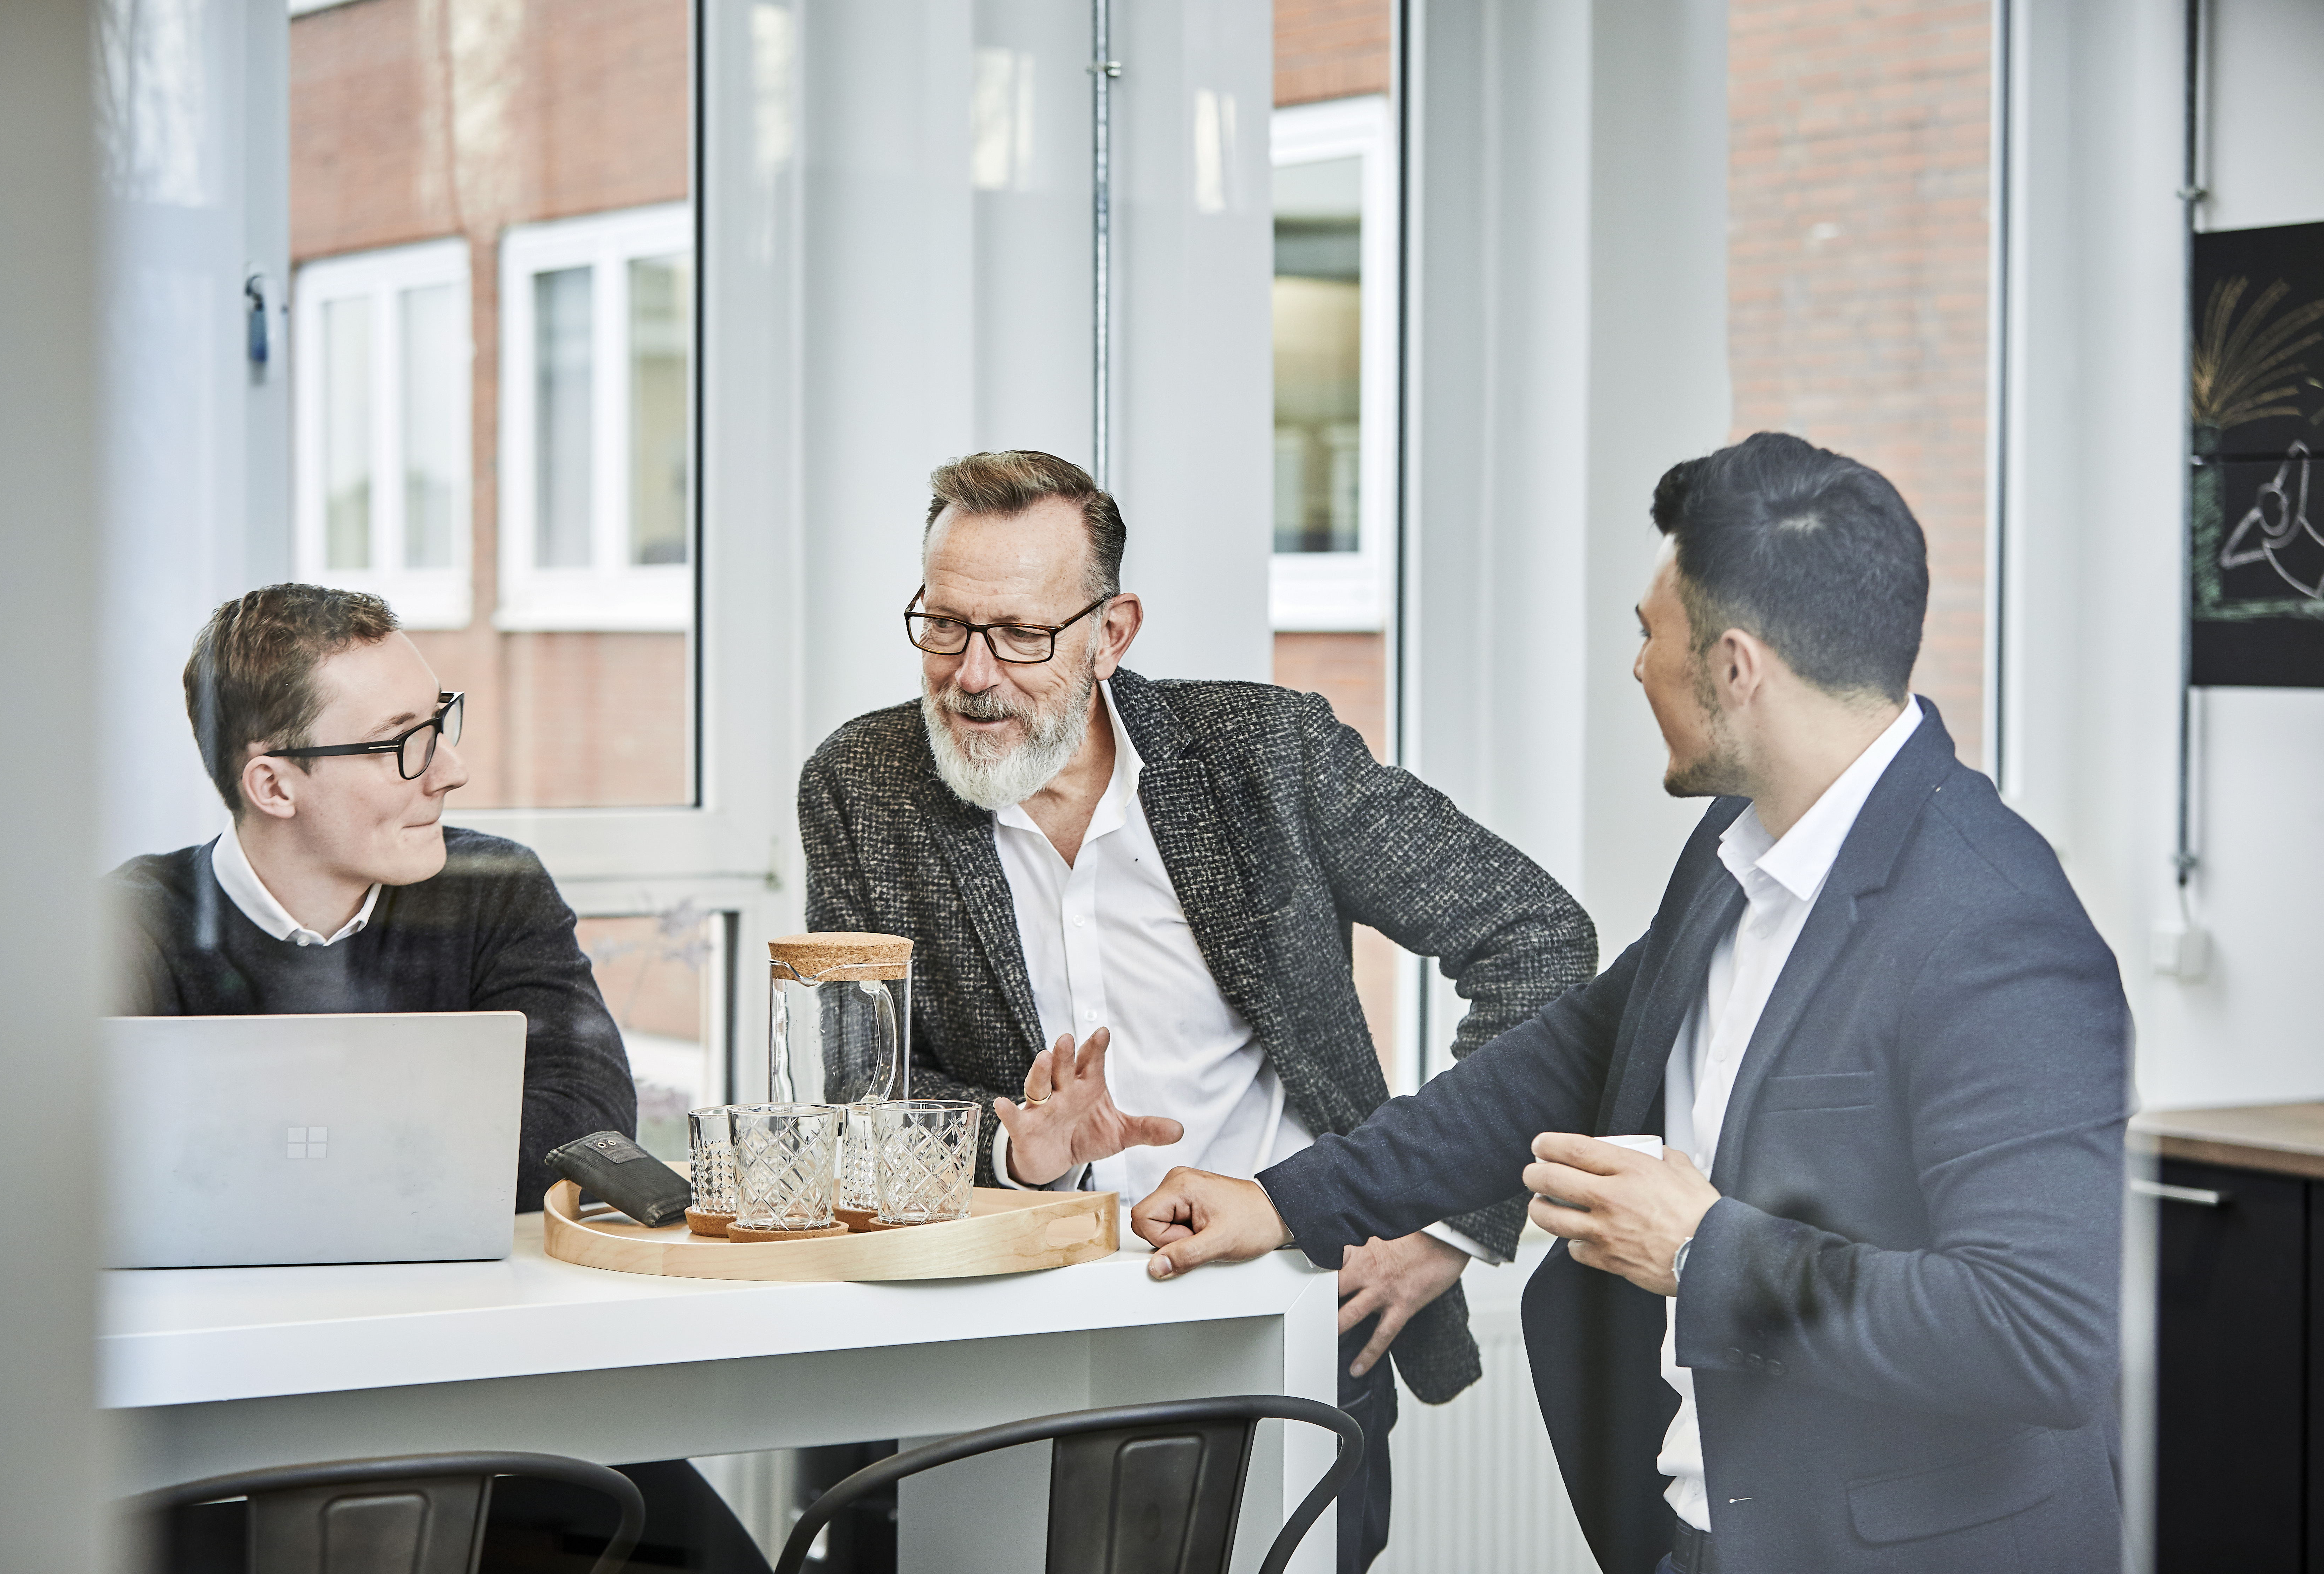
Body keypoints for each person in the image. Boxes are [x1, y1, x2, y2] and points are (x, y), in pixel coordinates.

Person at [1133, 433, 2131, 1574]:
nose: (1640, 665)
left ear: (1737, 667)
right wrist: (1286, 1203)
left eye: (1651, 632)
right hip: (1711, 1533)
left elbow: (2045, 1337)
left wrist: (1705, 1252)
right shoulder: (1736, 848)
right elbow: (1558, 1062)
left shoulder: (1997, 929)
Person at [798, 449, 1598, 1573]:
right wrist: (1015, 1148)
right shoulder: (861, 780)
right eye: (943, 626)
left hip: (1280, 1318)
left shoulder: (1264, 756)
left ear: (1112, 631)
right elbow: (852, 1087)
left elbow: (1538, 943)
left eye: (1020, 635)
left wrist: (1440, 1220)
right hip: (1002, 1334)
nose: (972, 675)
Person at [110, 584, 770, 1574]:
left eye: (439, 723)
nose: (450, 771)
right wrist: (428, 1162)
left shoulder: (495, 889)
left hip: (492, 1386)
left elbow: (587, 1129)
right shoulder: (139, 925)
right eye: (400, 744)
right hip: (228, 1422)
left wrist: (272, 1174)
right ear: (275, 785)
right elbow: (105, 1189)